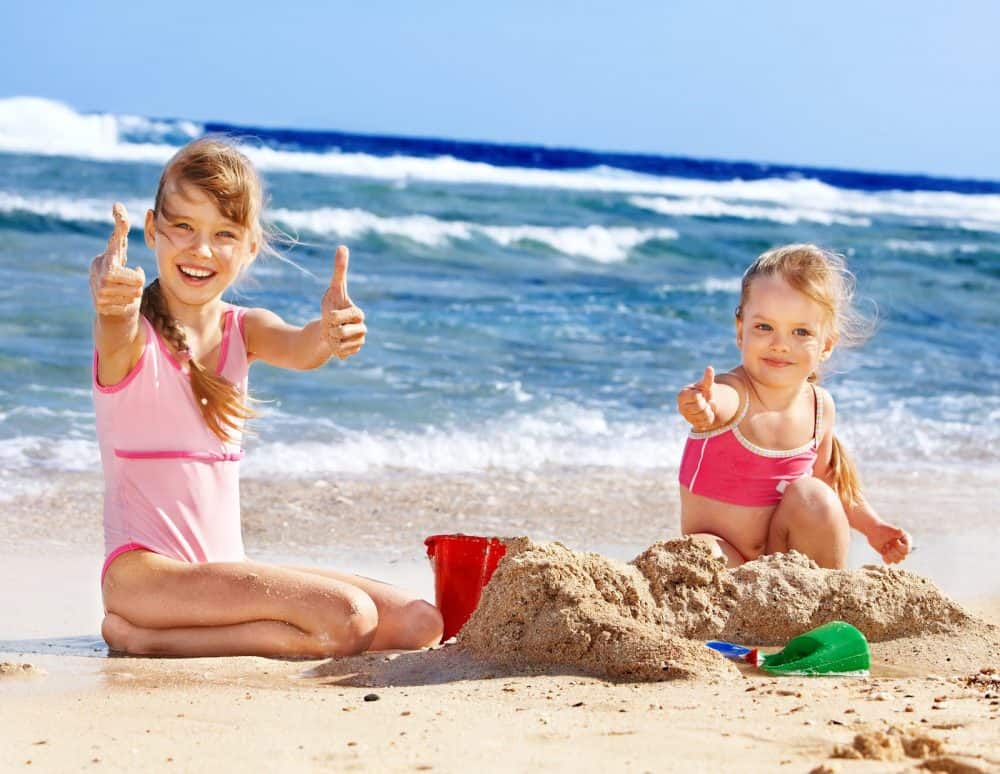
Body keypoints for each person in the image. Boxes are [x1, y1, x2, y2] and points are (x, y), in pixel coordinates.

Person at [90, 137, 443, 657]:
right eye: (183, 226)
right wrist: (112, 303)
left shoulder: (244, 330)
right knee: (346, 618)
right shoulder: (133, 335)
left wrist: (329, 332)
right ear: (151, 230)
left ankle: (163, 637)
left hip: (225, 573)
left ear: (251, 246)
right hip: (144, 575)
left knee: (420, 623)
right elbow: (114, 328)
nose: (200, 249)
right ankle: (146, 636)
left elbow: (302, 347)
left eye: (223, 234)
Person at [676, 244, 911, 569]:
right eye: (764, 327)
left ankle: (827, 596)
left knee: (814, 496)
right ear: (740, 330)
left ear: (826, 344)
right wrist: (701, 404)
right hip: (722, 558)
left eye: (800, 331)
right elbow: (718, 402)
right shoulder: (736, 393)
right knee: (699, 555)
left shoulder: (819, 408)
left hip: (785, 567)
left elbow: (830, 480)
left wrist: (873, 527)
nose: (780, 344)